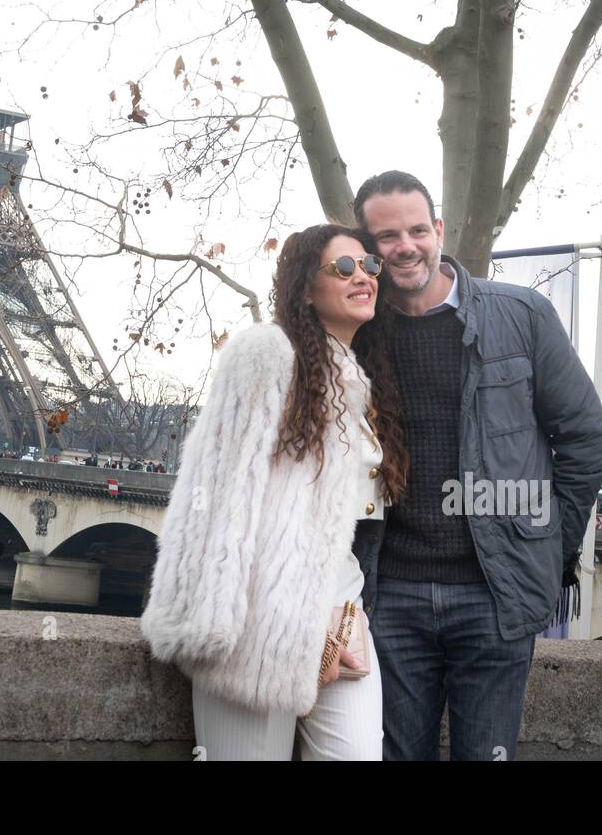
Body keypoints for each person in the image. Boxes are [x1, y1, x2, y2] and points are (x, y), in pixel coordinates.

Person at [352, 170, 602, 761]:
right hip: (389, 596)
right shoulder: (357, 331)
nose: (406, 246)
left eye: (417, 229)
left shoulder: (522, 316)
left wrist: (548, 545)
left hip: (495, 597)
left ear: (438, 230)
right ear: (369, 249)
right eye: (387, 236)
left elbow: (585, 438)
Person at [141, 224, 407, 760]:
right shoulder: (266, 355)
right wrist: (208, 620)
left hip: (343, 618)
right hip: (258, 625)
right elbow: (215, 490)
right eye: (345, 268)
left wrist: (339, 609)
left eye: (370, 266)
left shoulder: (365, 385)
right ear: (306, 289)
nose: (364, 277)